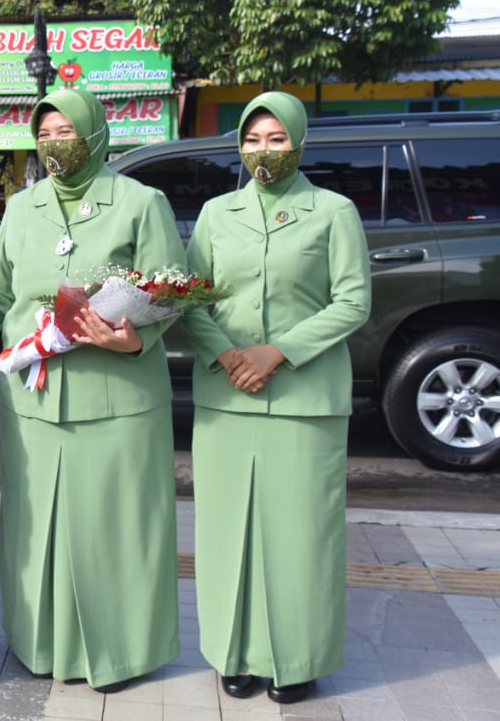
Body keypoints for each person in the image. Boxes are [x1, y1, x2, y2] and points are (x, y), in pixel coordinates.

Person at [0, 88, 184, 691]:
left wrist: (129, 340)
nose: (56, 142)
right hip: (33, 398)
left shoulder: (141, 202)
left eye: (67, 130)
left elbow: (170, 295)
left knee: (111, 529)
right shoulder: (23, 206)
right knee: (38, 527)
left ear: (96, 133)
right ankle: (43, 644)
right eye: (46, 132)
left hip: (116, 398)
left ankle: (116, 654)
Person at [180, 91, 371, 704]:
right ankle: (233, 654)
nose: (264, 151)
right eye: (253, 140)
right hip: (225, 398)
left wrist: (277, 352)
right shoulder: (216, 213)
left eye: (277, 139)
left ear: (299, 140)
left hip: (304, 398)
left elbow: (352, 301)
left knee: (300, 535)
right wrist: (230, 355)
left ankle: (298, 659)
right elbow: (192, 295)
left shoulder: (332, 211)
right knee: (226, 533)